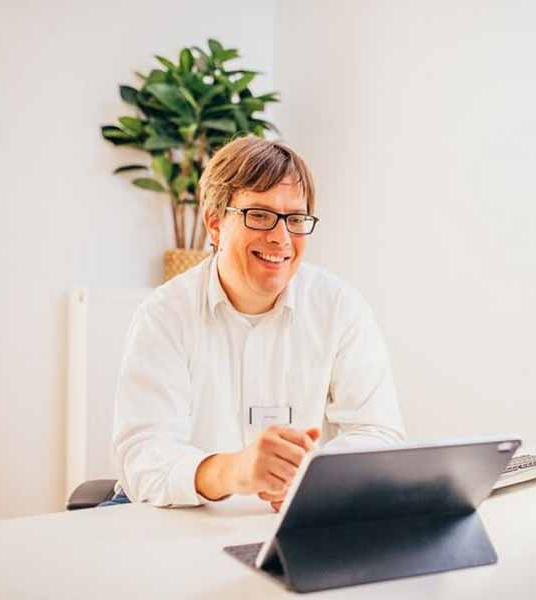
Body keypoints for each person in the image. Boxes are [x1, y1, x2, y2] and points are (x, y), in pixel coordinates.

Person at [106, 136, 405, 510]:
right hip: (183, 521)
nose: (281, 238)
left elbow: (378, 432)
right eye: (259, 215)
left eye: (295, 219)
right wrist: (234, 472)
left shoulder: (340, 307)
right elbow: (143, 455)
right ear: (214, 224)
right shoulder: (165, 314)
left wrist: (313, 478)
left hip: (292, 524)